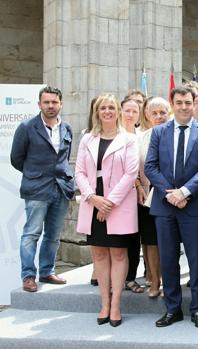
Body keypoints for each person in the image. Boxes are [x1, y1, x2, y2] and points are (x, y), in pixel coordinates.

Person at [145, 86, 198, 329]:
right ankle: (173, 309)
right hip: (165, 206)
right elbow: (151, 167)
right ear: (172, 104)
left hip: (194, 205)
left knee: (197, 260)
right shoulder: (158, 132)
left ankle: (197, 309)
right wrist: (171, 194)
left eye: (189, 102)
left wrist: (185, 192)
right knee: (168, 259)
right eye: (180, 102)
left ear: (195, 103)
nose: (184, 107)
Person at [75, 93, 139, 327]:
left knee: (119, 254)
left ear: (118, 111)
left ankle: (116, 305)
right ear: (97, 112)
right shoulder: (87, 139)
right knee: (99, 254)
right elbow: (79, 171)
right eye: (103, 108)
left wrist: (108, 202)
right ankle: (103, 303)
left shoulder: (128, 139)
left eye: (112, 107)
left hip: (118, 203)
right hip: (93, 201)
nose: (108, 111)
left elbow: (131, 174)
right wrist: (92, 198)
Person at [11, 86, 74, 293]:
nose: (50, 106)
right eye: (46, 102)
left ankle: (47, 271)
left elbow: (63, 158)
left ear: (61, 104)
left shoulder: (67, 128)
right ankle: (28, 276)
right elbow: (17, 158)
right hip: (37, 189)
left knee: (53, 234)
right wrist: (34, 175)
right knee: (31, 233)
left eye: (54, 102)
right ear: (39, 104)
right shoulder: (27, 126)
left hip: (61, 188)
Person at [136, 96, 172, 298]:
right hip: (147, 195)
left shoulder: (176, 134)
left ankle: (169, 281)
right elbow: (134, 167)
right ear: (147, 116)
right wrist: (139, 185)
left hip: (172, 195)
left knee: (169, 241)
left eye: (162, 113)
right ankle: (154, 280)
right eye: (154, 113)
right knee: (151, 240)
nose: (159, 117)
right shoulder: (141, 138)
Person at [119, 97, 145, 294]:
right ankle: (115, 278)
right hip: (116, 195)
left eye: (134, 111)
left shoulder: (141, 136)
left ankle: (130, 278)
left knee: (134, 238)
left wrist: (138, 186)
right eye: (127, 110)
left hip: (136, 195)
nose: (130, 114)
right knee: (117, 239)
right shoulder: (113, 135)